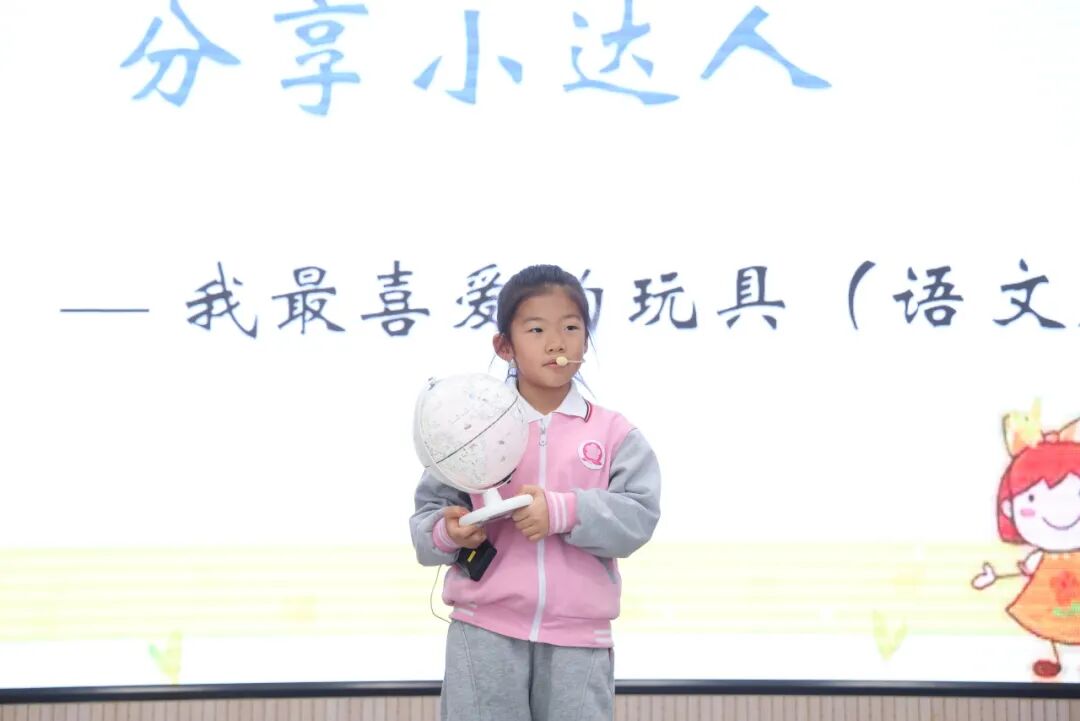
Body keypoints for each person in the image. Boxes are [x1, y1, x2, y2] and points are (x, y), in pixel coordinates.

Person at [410, 264, 662, 720]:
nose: (556, 343)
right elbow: (428, 524)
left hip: (578, 640)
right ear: (504, 346)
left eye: (571, 328)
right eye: (536, 329)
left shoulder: (614, 433)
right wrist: (449, 533)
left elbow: (638, 518)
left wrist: (563, 512)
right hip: (484, 631)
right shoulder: (468, 427)